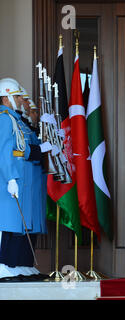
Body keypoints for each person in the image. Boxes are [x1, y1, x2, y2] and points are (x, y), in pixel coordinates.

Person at [0, 78, 47, 282]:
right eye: (17, 96)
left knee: (19, 225)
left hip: (23, 178)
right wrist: (10, 177)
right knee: (9, 224)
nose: (20, 100)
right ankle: (5, 265)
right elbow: (5, 152)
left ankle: (18, 264)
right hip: (11, 179)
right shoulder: (4, 119)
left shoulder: (15, 119)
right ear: (7, 98)